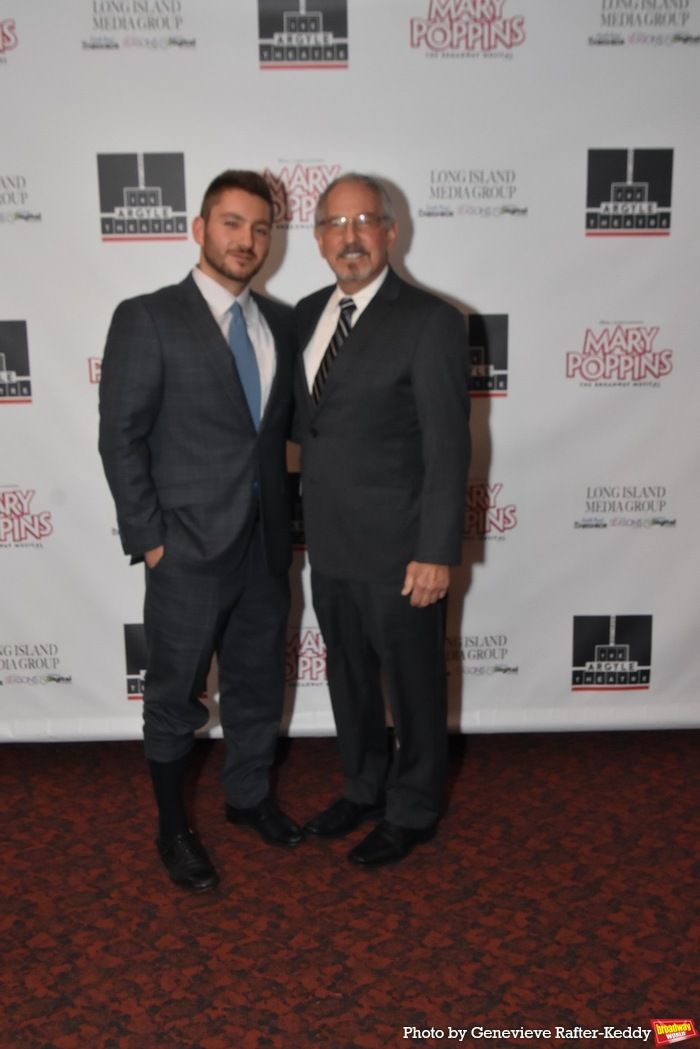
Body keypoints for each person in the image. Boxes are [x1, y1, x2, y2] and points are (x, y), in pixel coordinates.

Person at [99, 170, 302, 893]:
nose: (247, 240)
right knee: (173, 696)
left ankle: (247, 797)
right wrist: (152, 540)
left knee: (256, 684)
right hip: (185, 549)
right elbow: (120, 437)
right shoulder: (148, 317)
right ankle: (172, 828)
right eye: (232, 223)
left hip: (265, 549)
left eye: (260, 228)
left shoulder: (281, 324)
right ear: (200, 228)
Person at [295, 173, 471, 867]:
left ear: (391, 233)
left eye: (365, 221)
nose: (351, 236)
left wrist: (437, 551)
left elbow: (448, 447)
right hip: (329, 545)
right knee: (348, 679)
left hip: (403, 552)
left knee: (415, 685)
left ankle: (414, 807)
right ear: (318, 239)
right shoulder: (304, 314)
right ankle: (364, 786)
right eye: (336, 224)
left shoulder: (431, 321)